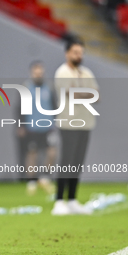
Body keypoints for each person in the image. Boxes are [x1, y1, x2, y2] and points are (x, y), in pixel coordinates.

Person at [51, 39, 99, 215]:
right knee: (66, 162)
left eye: (81, 52)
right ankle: (58, 201)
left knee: (78, 162)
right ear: (67, 53)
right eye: (75, 52)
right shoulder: (62, 72)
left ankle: (72, 199)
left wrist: (82, 93)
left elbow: (97, 95)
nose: (79, 56)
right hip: (68, 123)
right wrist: (87, 94)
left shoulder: (86, 73)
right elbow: (70, 94)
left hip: (86, 123)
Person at [20, 61, 56, 196]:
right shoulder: (26, 88)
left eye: (40, 71)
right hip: (32, 127)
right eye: (36, 71)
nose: (38, 74)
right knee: (32, 154)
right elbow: (20, 108)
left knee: (52, 152)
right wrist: (21, 125)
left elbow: (55, 105)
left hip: (48, 126)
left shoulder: (49, 87)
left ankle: (45, 177)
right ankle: (31, 181)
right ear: (32, 72)